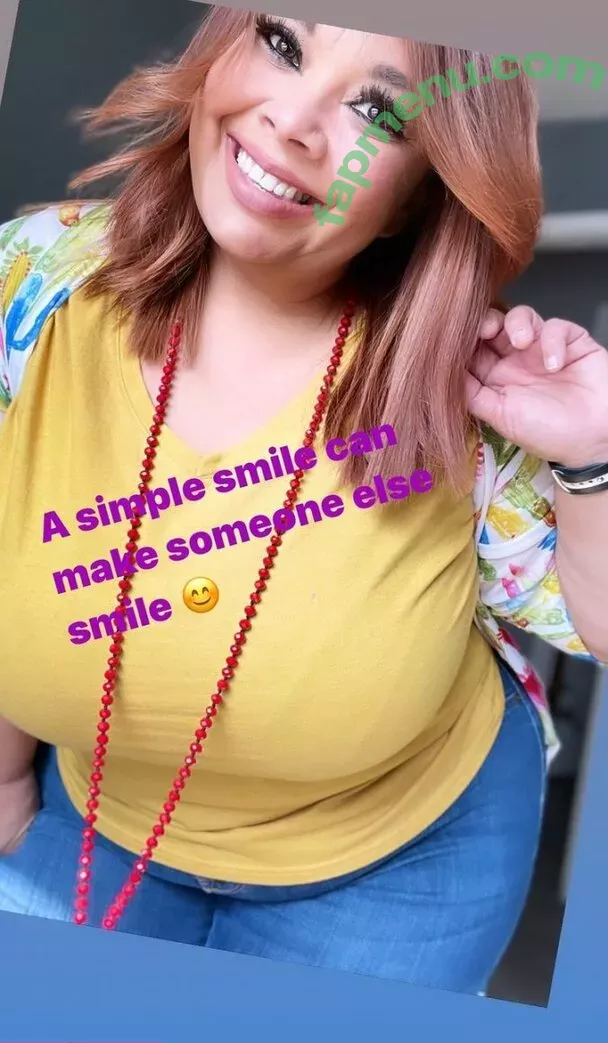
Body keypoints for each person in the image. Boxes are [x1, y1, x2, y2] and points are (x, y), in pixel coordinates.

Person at [0, 7, 607, 998]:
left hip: (399, 866)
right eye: (282, 43)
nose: (293, 120)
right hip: (88, 817)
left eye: (380, 111)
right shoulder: (32, 284)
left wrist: (593, 455)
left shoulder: (458, 392)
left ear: (417, 193)